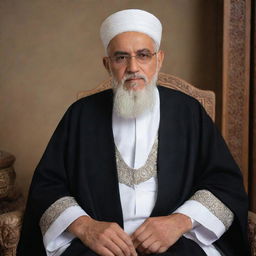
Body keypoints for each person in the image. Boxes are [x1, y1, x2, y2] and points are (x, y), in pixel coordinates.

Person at [17, 9, 249, 256]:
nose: (133, 67)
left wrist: (180, 221)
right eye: (120, 57)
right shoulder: (80, 115)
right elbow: (47, 187)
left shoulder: (189, 112)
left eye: (143, 55)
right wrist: (86, 227)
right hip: (99, 248)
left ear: (159, 60)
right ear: (107, 64)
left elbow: (225, 184)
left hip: (175, 244)